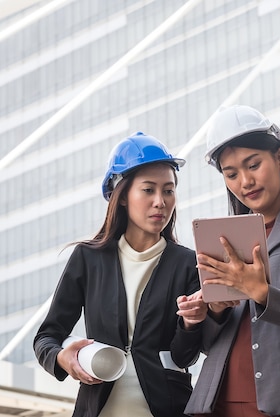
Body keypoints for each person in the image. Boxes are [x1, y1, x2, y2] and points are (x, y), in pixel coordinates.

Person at [172, 105, 280, 417]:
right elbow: (211, 344)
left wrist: (263, 293)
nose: (245, 182)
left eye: (253, 165)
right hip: (219, 400)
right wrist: (214, 312)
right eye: (231, 174)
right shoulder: (222, 239)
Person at [33, 132, 203, 417]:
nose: (160, 201)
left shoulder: (188, 263)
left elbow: (184, 357)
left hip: (169, 407)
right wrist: (63, 357)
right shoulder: (88, 258)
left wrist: (191, 323)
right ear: (122, 196)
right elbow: (47, 336)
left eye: (168, 190)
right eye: (148, 190)